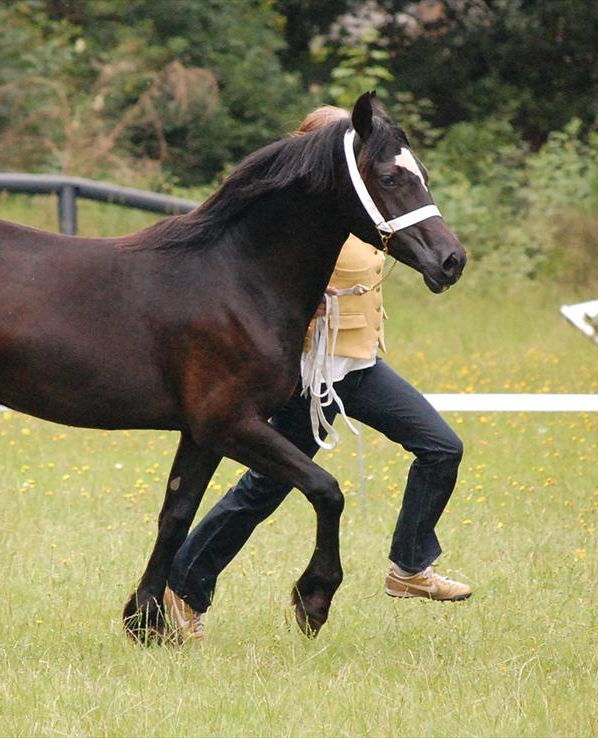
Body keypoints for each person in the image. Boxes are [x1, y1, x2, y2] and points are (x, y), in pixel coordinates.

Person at [164, 106, 471, 641]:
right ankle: (181, 592)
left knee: (441, 447)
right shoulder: (298, 222)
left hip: (360, 364)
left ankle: (409, 567)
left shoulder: (368, 212)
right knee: (266, 487)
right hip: (310, 375)